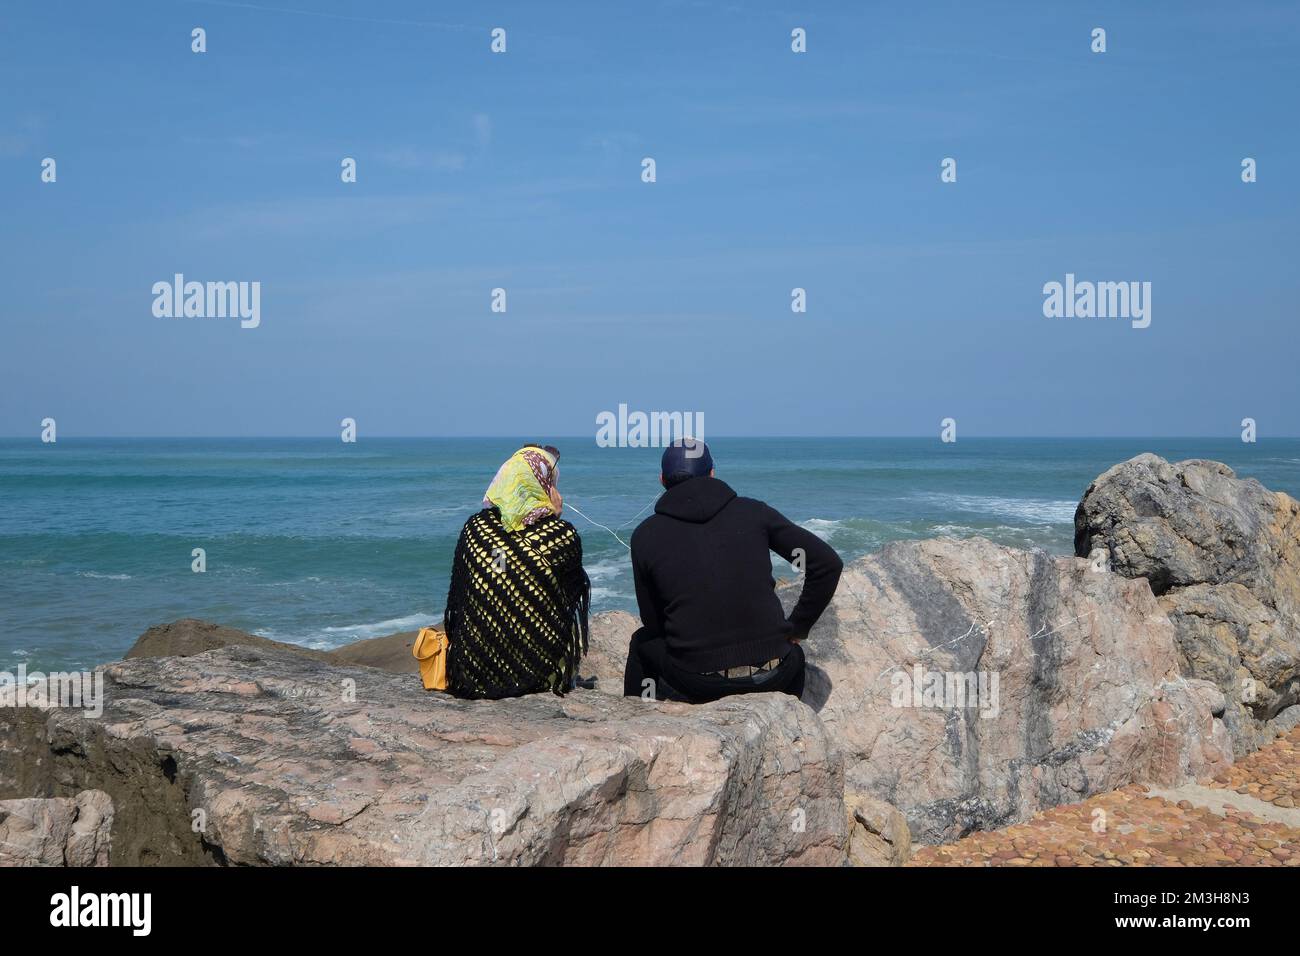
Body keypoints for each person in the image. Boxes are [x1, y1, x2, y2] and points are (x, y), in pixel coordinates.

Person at [624, 439, 843, 703]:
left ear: (662, 480)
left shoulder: (645, 535)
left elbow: (654, 622)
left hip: (700, 682)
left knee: (642, 642)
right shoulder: (754, 512)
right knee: (795, 655)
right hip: (776, 674)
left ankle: (638, 714)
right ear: (712, 474)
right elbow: (827, 563)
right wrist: (798, 627)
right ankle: (787, 714)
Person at [443, 444, 590, 699]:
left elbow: (460, 597)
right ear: (544, 484)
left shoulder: (475, 529)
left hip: (474, 670)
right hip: (537, 674)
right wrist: (554, 518)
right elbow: (568, 598)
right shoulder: (560, 536)